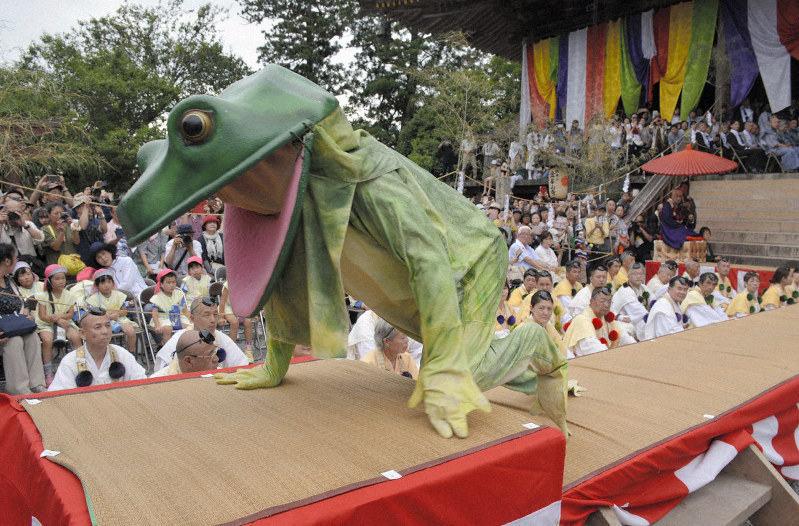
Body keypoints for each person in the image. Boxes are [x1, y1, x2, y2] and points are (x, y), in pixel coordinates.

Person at [48, 306, 146, 391]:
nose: (105, 331)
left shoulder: (122, 354)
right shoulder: (70, 361)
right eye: (98, 327)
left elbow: (142, 384)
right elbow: (61, 397)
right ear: (82, 334)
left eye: (108, 326)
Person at [154, 296, 248, 371]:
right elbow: (164, 368)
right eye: (206, 315)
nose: (212, 320)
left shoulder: (221, 337)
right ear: (192, 318)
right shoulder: (180, 339)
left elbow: (241, 364)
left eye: (215, 315)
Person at [0, 244, 46, 395]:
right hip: (4, 332)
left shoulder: (9, 281)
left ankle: (37, 384)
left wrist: (25, 315)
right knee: (14, 341)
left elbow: (23, 303)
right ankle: (19, 389)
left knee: (31, 336)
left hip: (15, 325)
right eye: (15, 258)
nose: (16, 260)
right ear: (7, 261)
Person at [35, 264, 81, 386]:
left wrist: (60, 318)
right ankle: (48, 372)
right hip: (46, 324)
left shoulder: (69, 295)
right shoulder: (43, 296)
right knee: (47, 340)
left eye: (63, 278)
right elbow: (42, 316)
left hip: (65, 322)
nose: (62, 281)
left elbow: (70, 314)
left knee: (76, 336)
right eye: (57, 278)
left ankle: (80, 366)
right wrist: (55, 320)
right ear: (49, 281)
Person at [563, 287, 633, 358]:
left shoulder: (607, 319)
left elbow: (624, 338)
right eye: (602, 301)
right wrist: (617, 353)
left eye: (609, 302)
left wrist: (634, 347)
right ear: (591, 301)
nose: (607, 305)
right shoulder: (582, 319)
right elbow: (593, 350)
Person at [84, 268, 137, 353]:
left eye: (109, 282)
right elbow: (93, 315)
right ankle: (104, 354)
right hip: (101, 322)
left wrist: (116, 313)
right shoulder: (93, 299)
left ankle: (131, 353)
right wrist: (108, 316)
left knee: (131, 332)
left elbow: (124, 312)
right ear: (97, 285)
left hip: (119, 319)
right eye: (103, 283)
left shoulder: (118, 295)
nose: (106, 285)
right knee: (103, 335)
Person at [150, 329, 221, 378]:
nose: (216, 359)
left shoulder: (218, 373)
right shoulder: (158, 384)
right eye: (210, 355)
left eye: (215, 351)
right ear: (188, 361)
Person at [610, 262, 650, 341]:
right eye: (635, 274)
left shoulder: (643, 288)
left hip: (634, 319)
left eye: (641, 274)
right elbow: (640, 313)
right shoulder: (626, 291)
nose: (638, 276)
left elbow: (653, 301)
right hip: (622, 322)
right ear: (629, 276)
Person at [218, 281, 255, 362]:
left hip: (241, 307)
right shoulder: (228, 284)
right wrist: (221, 317)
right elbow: (222, 303)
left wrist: (254, 312)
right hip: (228, 308)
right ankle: (232, 349)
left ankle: (248, 349)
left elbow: (249, 299)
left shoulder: (247, 283)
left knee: (248, 321)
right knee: (234, 322)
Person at [150, 269, 190, 344]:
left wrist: (191, 319)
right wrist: (157, 325)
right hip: (163, 318)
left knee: (188, 327)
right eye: (168, 282)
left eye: (173, 282)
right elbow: (154, 313)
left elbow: (183, 309)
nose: (172, 285)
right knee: (167, 329)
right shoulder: (157, 297)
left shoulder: (179, 294)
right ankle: (167, 350)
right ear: (161, 284)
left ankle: (184, 347)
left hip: (178, 316)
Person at [644, 276, 690, 340]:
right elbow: (668, 333)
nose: (682, 292)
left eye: (685, 290)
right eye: (679, 289)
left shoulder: (675, 302)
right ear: (669, 289)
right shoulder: (663, 306)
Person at [40, 201, 82, 271]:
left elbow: (77, 242)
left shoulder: (69, 226)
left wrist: (73, 226)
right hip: (56, 267)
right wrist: (61, 232)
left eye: (62, 213)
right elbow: (55, 247)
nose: (59, 216)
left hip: (73, 266)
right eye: (56, 213)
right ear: (49, 215)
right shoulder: (45, 229)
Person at [529, 290, 567, 358]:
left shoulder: (549, 327)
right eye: (541, 308)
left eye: (549, 309)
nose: (546, 313)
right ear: (531, 308)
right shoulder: (524, 328)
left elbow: (563, 351)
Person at [552, 260, 582, 326]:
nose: (577, 274)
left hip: (576, 316)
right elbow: (568, 310)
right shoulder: (563, 287)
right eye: (574, 272)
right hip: (563, 318)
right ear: (567, 273)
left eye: (579, 272)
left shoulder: (578, 285)